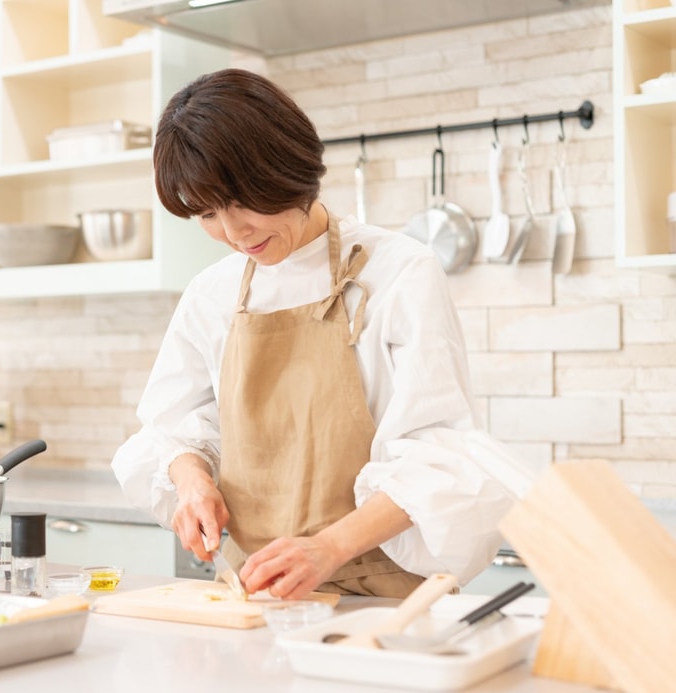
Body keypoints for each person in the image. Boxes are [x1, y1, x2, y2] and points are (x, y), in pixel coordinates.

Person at [111, 68, 535, 599]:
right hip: (260, 594)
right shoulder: (210, 294)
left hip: (382, 596)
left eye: (242, 201)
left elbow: (438, 451)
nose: (234, 233)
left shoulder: (399, 272)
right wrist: (192, 482)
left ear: (285, 168)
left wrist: (328, 547)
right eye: (208, 213)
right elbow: (173, 427)